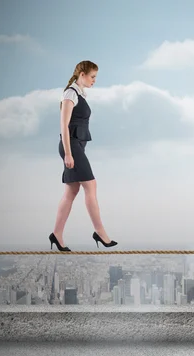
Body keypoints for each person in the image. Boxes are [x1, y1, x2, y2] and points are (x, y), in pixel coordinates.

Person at [49, 60, 117, 252]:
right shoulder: (70, 93)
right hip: (71, 146)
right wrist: (69, 154)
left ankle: (57, 234)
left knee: (71, 191)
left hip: (77, 146)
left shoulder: (78, 94)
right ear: (82, 75)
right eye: (92, 76)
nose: (94, 80)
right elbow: (63, 125)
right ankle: (100, 232)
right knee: (91, 185)